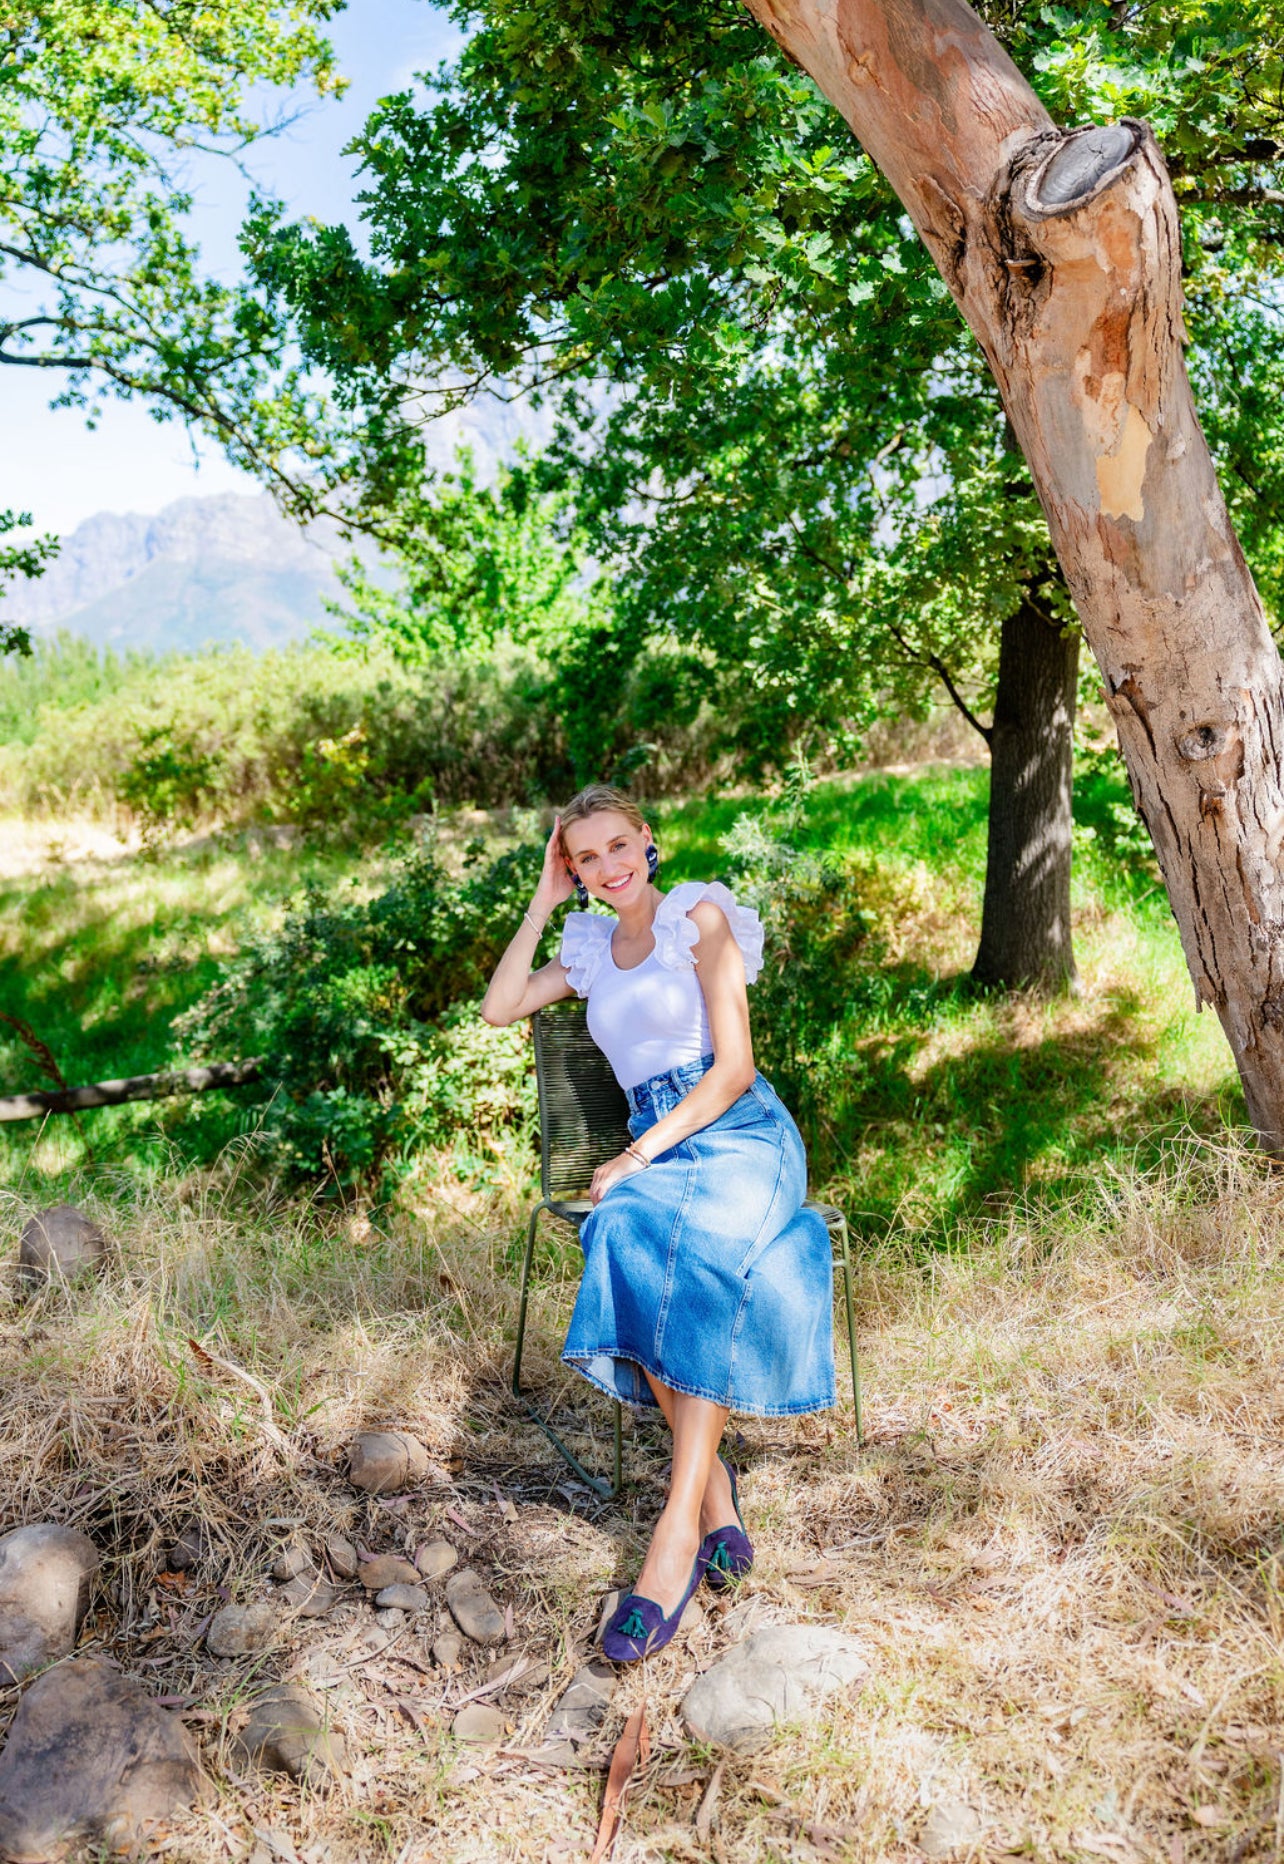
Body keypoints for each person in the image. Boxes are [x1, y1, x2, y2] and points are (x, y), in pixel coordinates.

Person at [481, 784, 834, 1661]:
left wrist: (637, 1159)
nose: (607, 867)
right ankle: (715, 1497)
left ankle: (674, 1538)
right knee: (621, 1235)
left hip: (738, 1130)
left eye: (616, 846)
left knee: (695, 1248)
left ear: (648, 840)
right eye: (584, 857)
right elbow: (499, 1006)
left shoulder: (698, 917)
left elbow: (734, 1068)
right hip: (656, 1144)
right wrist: (539, 902)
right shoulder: (592, 949)